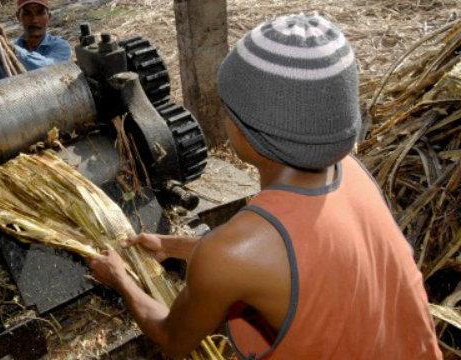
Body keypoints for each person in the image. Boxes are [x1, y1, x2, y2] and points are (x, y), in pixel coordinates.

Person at [89, 13, 442, 360]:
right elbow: (304, 260)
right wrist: (173, 246)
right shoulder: (353, 173)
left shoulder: (235, 251)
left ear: (246, 133)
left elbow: (171, 338)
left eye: (229, 111)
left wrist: (120, 277)